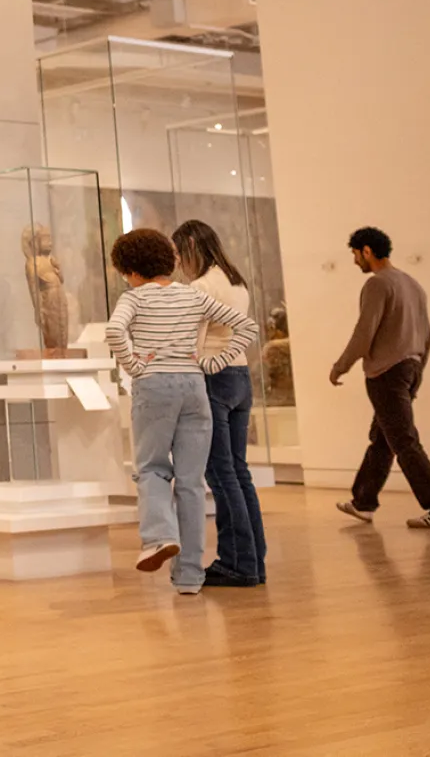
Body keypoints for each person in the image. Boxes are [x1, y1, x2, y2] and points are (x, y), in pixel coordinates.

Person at [106, 227, 250, 596]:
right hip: (194, 387)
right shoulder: (191, 295)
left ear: (129, 270)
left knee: (152, 468)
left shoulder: (133, 299)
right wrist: (216, 362)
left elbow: (114, 331)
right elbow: (245, 327)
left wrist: (134, 364)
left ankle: (159, 537)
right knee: (190, 482)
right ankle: (189, 577)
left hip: (154, 387)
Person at [331, 226, 430, 528]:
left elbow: (364, 333)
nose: (354, 262)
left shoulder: (377, 284)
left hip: (387, 373)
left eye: (354, 254)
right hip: (410, 368)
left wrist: (340, 366)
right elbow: (428, 336)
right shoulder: (413, 284)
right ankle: (363, 502)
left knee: (403, 441)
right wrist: (417, 371)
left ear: (366, 251)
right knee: (382, 438)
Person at [172, 220, 266, 587]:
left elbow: (193, 343)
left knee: (221, 474)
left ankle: (237, 563)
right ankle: (253, 560)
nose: (179, 262)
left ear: (192, 245)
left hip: (212, 378)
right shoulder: (236, 281)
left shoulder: (201, 286)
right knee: (239, 473)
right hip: (240, 377)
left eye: (180, 253)